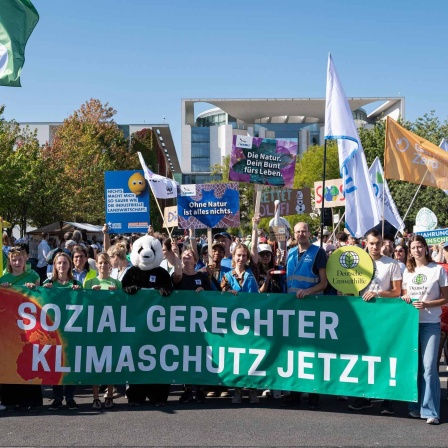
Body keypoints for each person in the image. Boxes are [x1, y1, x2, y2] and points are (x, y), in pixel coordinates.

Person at [348, 229, 402, 415]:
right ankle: (365, 398)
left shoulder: (392, 264)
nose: (375, 247)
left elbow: (397, 292)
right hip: (363, 317)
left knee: (385, 356)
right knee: (365, 356)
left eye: (378, 243)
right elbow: (350, 286)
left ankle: (387, 399)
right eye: (371, 243)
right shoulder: (359, 262)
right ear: (366, 243)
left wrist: (378, 293)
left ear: (383, 243)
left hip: (384, 317)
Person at [402, 235, 448, 425]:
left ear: (426, 248)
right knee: (415, 368)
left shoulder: (437, 270)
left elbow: (446, 298)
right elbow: (404, 294)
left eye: (420, 246)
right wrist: (404, 298)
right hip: (411, 325)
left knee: (429, 368)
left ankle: (431, 411)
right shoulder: (408, 272)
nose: (417, 250)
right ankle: (415, 406)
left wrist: (428, 303)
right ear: (410, 251)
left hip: (430, 324)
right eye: (413, 247)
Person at [284, 222, 327, 409]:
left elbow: (324, 283)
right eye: (298, 231)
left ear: (309, 233)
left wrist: (309, 292)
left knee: (312, 352)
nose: (301, 234)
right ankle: (294, 393)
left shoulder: (318, 253)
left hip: (312, 308)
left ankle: (313, 394)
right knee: (293, 352)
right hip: (293, 309)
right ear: (294, 234)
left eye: (304, 231)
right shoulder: (291, 253)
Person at [0, 246, 42, 412]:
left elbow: (41, 298)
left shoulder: (33, 276)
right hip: (9, 328)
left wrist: (34, 288)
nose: (17, 262)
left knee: (28, 360)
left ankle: (30, 399)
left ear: (25, 261)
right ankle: (9, 399)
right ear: (10, 261)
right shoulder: (3, 278)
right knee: (9, 360)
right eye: (14, 260)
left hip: (29, 326)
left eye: (20, 259)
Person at [220, 243, 259, 404]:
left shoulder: (251, 276)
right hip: (232, 325)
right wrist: (228, 293)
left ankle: (252, 390)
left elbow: (258, 299)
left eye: (244, 255)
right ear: (233, 257)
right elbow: (220, 296)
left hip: (250, 324)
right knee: (236, 357)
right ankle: (236, 390)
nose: (241, 258)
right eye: (238, 255)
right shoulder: (226, 276)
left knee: (251, 357)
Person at [172, 248, 212, 403]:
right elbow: (175, 279)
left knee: (200, 356)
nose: (187, 256)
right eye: (184, 255)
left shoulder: (202, 277)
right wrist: (175, 255)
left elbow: (212, 297)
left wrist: (204, 291)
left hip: (200, 325)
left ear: (195, 260)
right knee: (184, 356)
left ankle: (200, 389)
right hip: (182, 324)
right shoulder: (178, 276)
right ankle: (187, 389)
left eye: (190, 255)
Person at [43, 252, 81, 411]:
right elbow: (40, 299)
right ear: (54, 265)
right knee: (55, 365)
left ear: (69, 265)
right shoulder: (49, 282)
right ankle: (57, 398)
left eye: (65, 263)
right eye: (59, 263)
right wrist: (44, 290)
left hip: (72, 330)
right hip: (54, 331)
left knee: (70, 364)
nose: (62, 266)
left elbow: (86, 302)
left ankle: (70, 398)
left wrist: (79, 291)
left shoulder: (76, 282)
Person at [85, 252, 121, 410]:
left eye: (105, 263)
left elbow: (124, 305)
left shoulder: (116, 282)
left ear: (110, 265)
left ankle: (110, 395)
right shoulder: (90, 281)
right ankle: (95, 397)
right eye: (100, 262)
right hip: (94, 327)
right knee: (95, 362)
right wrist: (91, 293)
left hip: (111, 328)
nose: (103, 265)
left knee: (110, 362)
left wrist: (117, 294)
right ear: (97, 264)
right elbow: (82, 303)